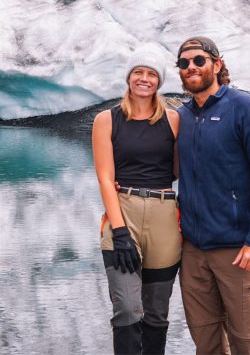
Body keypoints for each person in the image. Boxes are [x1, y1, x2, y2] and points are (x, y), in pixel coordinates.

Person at [174, 36, 250, 355]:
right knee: (205, 342)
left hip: (237, 249)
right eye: (183, 63)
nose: (191, 67)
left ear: (217, 65)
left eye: (198, 60)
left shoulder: (245, 108)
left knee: (247, 342)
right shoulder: (183, 116)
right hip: (193, 251)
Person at [92, 45, 181, 355]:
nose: (144, 79)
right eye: (138, 72)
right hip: (124, 213)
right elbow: (105, 177)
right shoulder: (106, 120)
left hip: (165, 218)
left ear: (160, 81)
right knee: (128, 310)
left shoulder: (173, 120)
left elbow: (187, 168)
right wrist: (119, 232)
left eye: (152, 74)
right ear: (129, 77)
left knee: (156, 313)